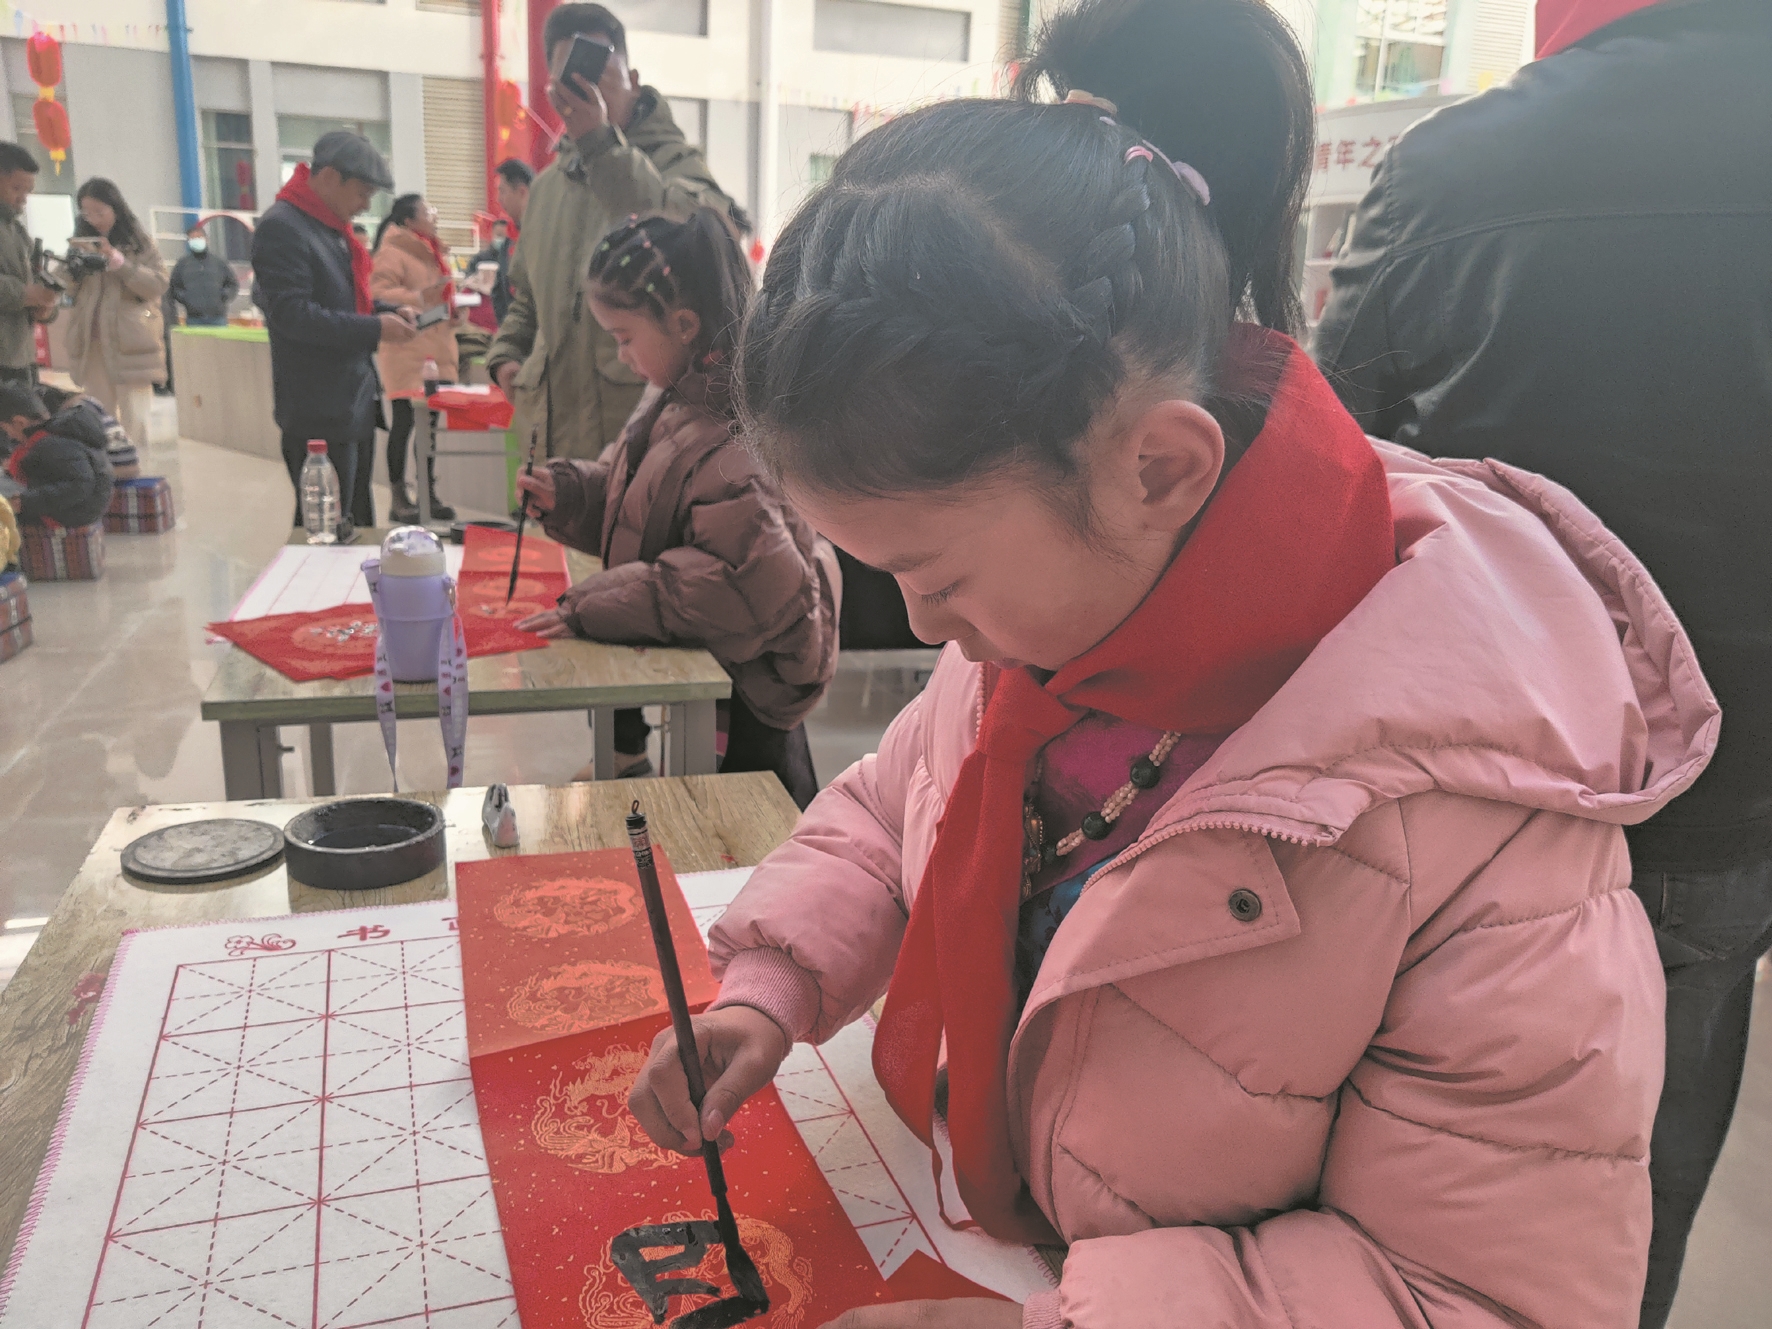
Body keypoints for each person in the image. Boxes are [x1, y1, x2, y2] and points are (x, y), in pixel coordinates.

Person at [624, 2, 1721, 1325]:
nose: (922, 629)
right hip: (1014, 1229)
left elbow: (1470, 1290)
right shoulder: (1055, 628)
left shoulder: (1470, 822)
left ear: (1158, 468)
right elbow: (890, 810)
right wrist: (771, 987)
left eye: (938, 575)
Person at [1312, 3, 1771, 1323]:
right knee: (1641, 1175)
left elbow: (1335, 474)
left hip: (1482, 774)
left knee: (1428, 1165)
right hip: (1734, 790)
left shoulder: (1457, 165)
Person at [514, 210, 839, 807]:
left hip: (752, 682)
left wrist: (596, 604)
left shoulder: (735, 434)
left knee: (750, 826)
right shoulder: (672, 399)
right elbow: (636, 502)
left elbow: (743, 582)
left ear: (684, 325)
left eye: (625, 338)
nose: (621, 356)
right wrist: (569, 493)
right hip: (720, 664)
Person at [487, 3, 739, 461]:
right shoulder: (546, 189)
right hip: (551, 434)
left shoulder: (675, 164)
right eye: (572, 77)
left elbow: (701, 242)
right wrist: (506, 354)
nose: (588, 88)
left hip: (645, 438)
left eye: (599, 71)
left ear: (634, 80)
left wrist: (600, 144)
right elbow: (528, 298)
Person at [252, 131, 417, 535]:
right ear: (328, 177)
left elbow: (342, 301)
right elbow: (294, 315)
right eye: (362, 193)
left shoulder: (329, 227)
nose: (365, 206)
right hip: (317, 408)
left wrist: (387, 311)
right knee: (324, 530)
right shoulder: (283, 227)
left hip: (351, 401)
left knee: (354, 523)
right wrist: (376, 327)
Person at [370, 193, 458, 525]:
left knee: (429, 426)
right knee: (404, 422)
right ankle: (398, 497)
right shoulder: (392, 252)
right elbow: (378, 294)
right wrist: (420, 298)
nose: (433, 215)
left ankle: (426, 494)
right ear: (409, 221)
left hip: (435, 348)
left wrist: (452, 311)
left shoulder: (432, 253)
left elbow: (437, 301)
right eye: (426, 211)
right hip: (405, 351)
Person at [64, 178, 167, 450]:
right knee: (98, 421)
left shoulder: (139, 243)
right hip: (93, 345)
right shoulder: (81, 243)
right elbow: (66, 288)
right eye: (87, 213)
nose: (93, 219)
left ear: (116, 208)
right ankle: (106, 474)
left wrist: (120, 263)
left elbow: (157, 284)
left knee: (136, 421)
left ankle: (137, 472)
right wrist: (72, 269)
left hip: (132, 344)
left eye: (99, 212)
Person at [0, 382, 113, 529]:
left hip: (70, 514)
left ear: (19, 422)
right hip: (76, 507)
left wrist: (25, 502)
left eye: (5, 429)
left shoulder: (52, 443)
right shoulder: (54, 435)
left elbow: (80, 485)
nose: (9, 436)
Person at [0, 143, 57, 392]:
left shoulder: (18, 231)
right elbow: (25, 290)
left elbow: (36, 280)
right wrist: (24, 294)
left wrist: (46, 307)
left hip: (20, 355)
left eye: (28, 191)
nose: (23, 198)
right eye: (16, 188)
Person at [168, 224, 238, 327]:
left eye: (199, 237)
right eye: (193, 238)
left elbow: (232, 284)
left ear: (206, 239)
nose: (196, 240)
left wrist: (224, 295)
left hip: (218, 318)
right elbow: (174, 287)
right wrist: (186, 299)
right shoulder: (182, 264)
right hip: (193, 318)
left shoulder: (218, 262)